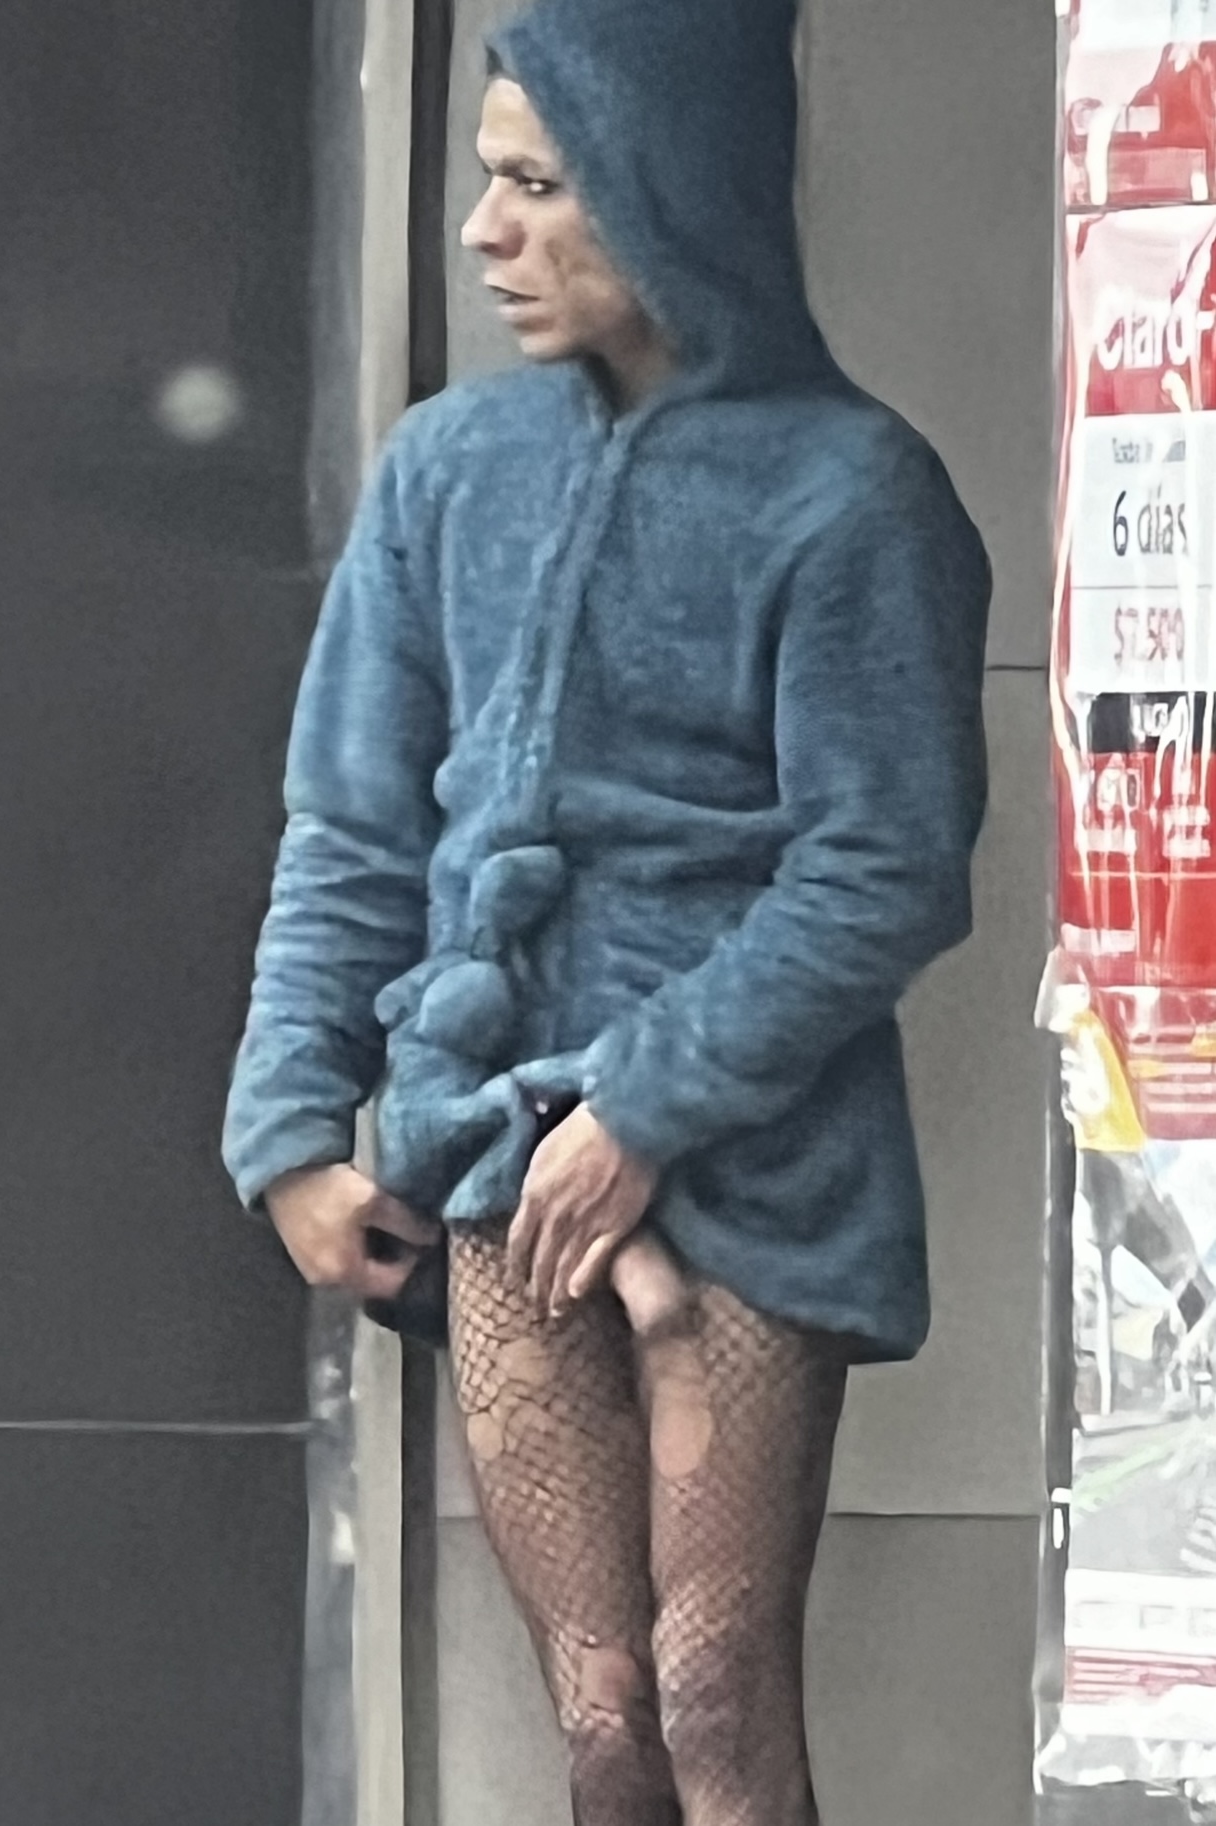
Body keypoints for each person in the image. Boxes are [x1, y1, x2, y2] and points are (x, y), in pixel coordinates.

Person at [223, 0, 991, 1818]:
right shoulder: (442, 472)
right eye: (486, 178)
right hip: (494, 1150)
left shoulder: (856, 492)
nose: (483, 230)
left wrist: (641, 1104)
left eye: (539, 184)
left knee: (719, 1702)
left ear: (670, 183)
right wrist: (289, 1129)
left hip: (755, 1159)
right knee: (603, 1717)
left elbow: (887, 860)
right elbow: (351, 831)